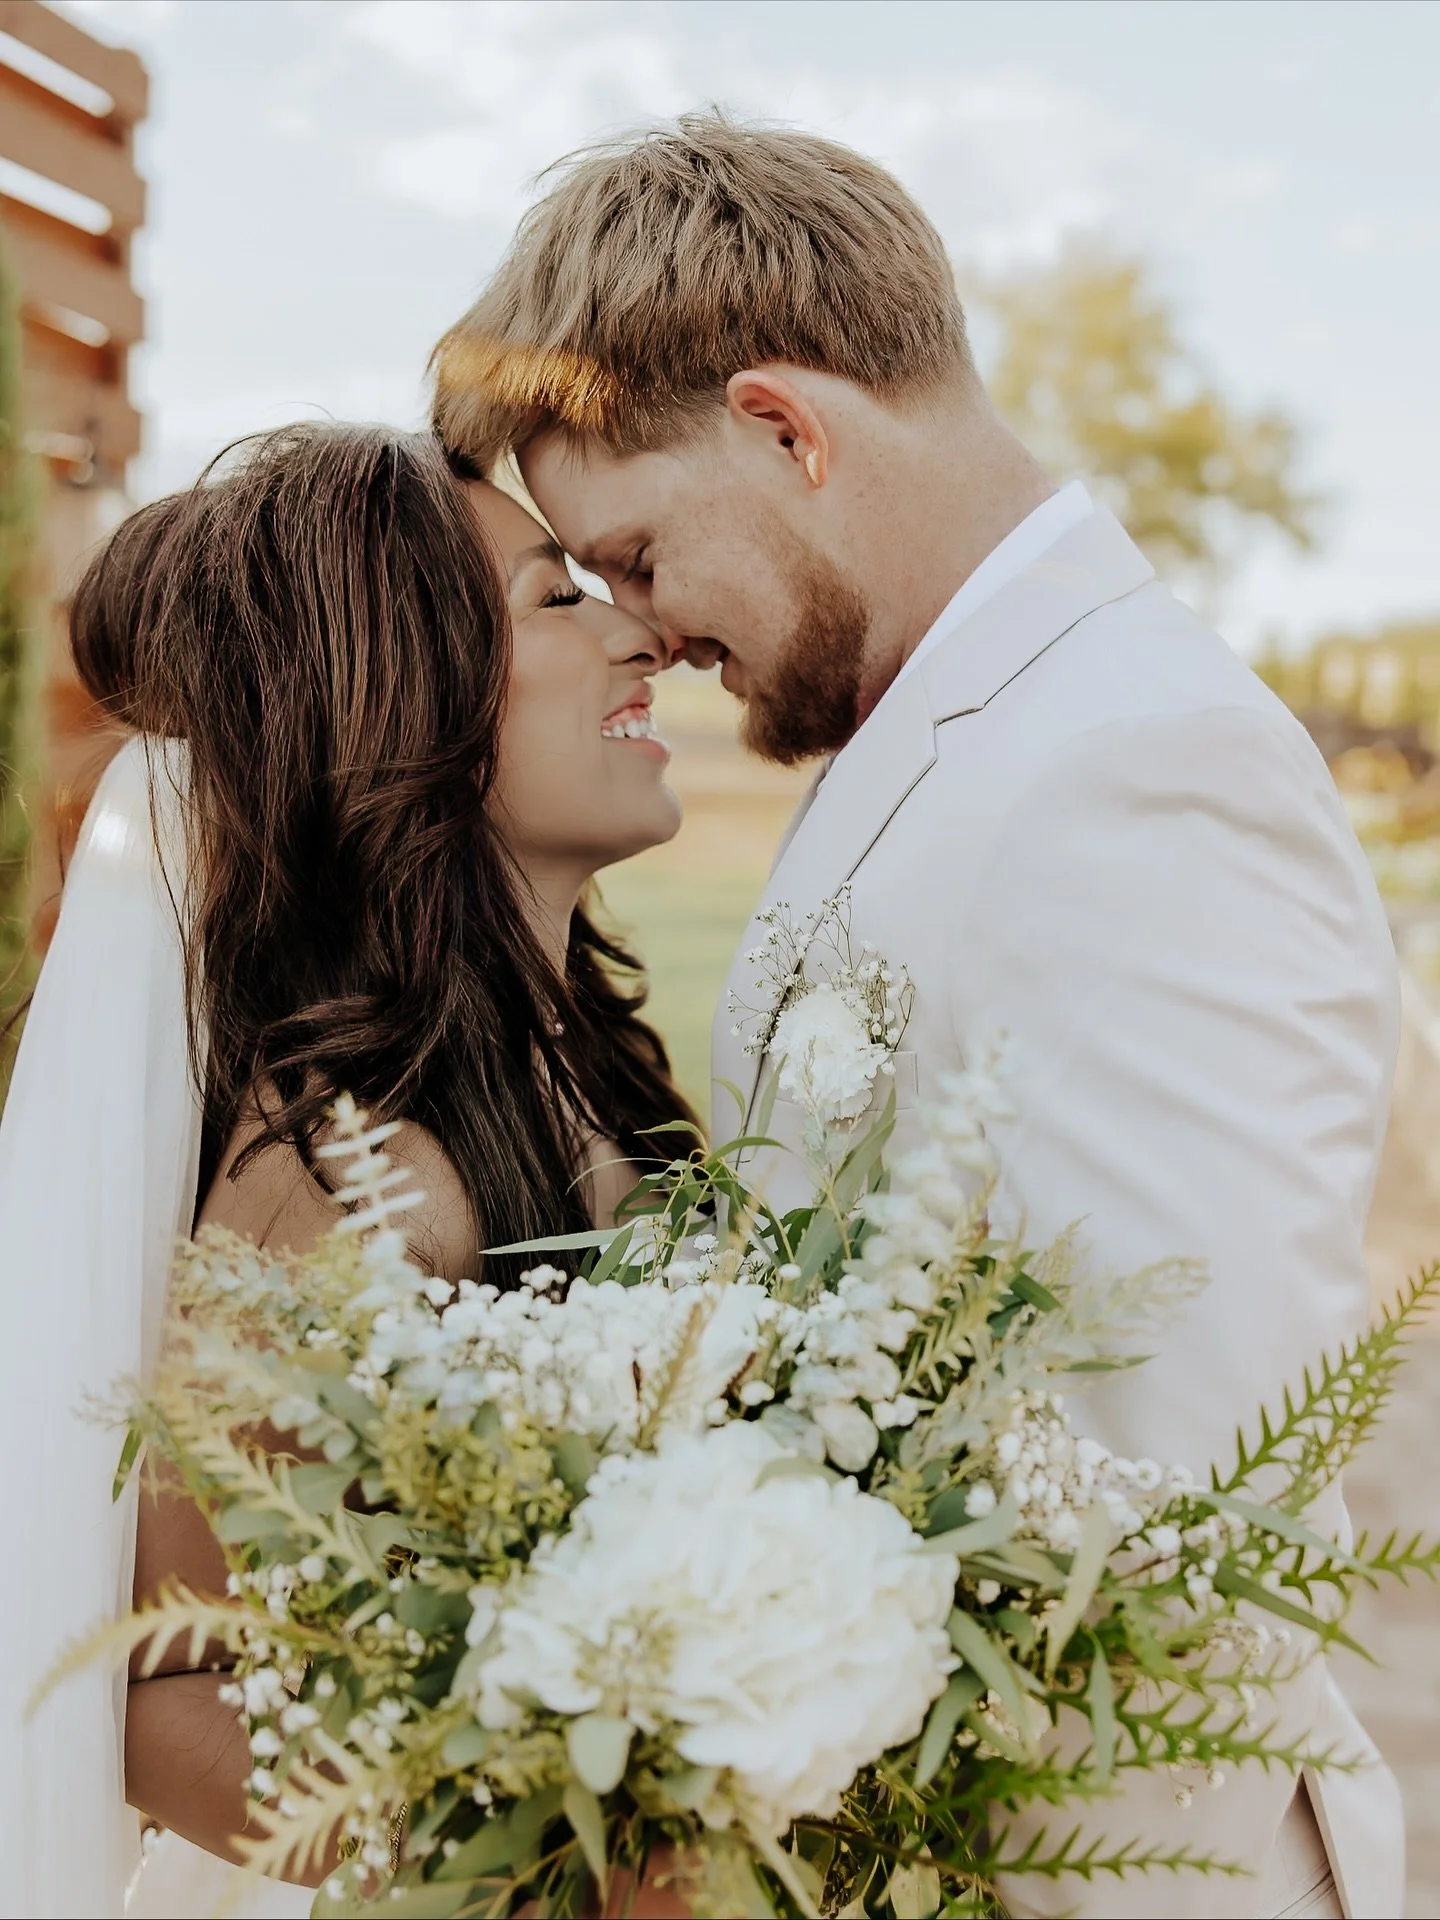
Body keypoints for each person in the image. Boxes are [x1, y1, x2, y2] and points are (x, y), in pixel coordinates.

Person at [432, 113, 1404, 1920]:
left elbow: (1188, 1493)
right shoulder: (947, 718)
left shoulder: (1138, 765)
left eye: (635, 553)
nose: (640, 628)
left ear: (787, 427)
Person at [0, 422, 695, 1918]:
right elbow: (150, 1683)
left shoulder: (597, 1079)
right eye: (557, 600)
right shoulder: (351, 1175)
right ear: (405, 702)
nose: (641, 628)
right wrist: (552, 1869)